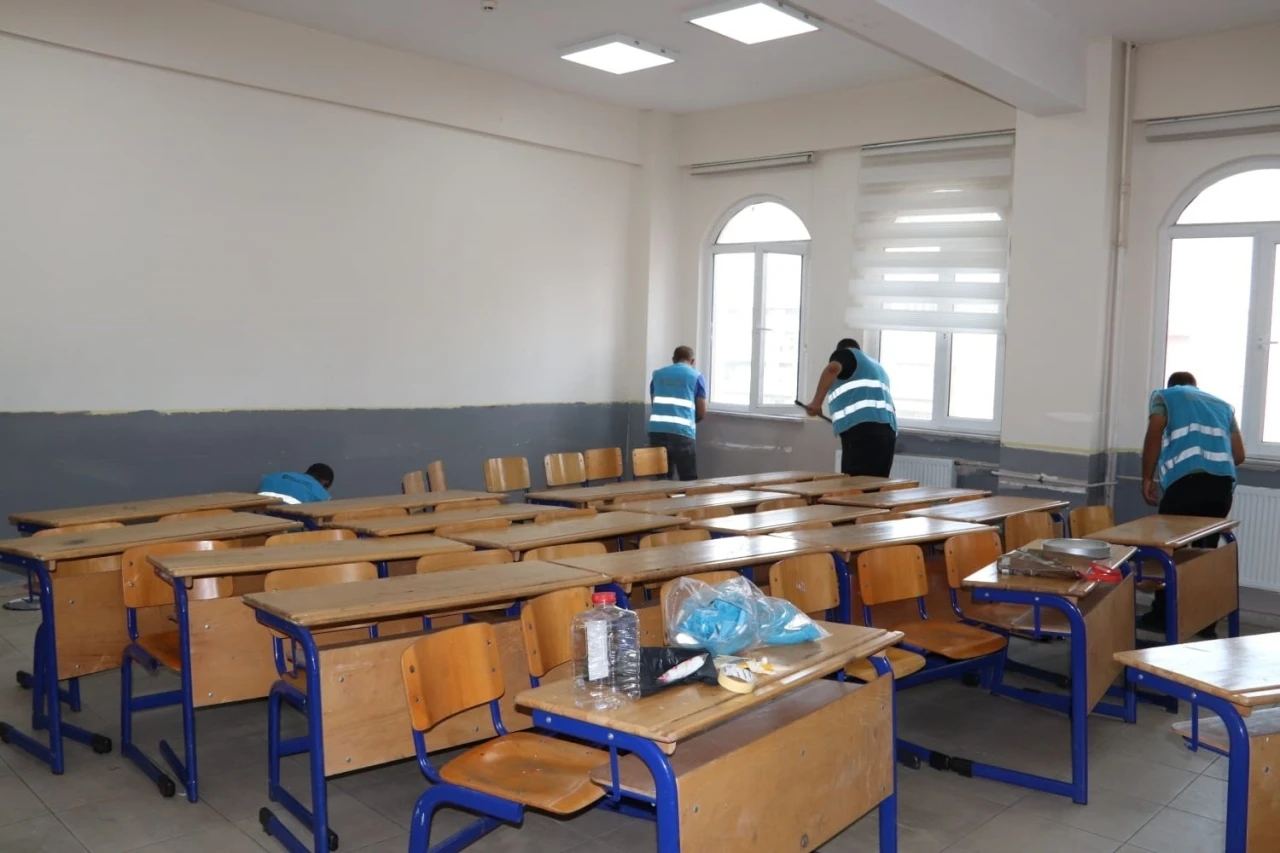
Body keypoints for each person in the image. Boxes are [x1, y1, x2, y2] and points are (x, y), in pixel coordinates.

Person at [1139, 371, 1245, 636]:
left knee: (1169, 551)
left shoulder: (1164, 396)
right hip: (1221, 488)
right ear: (1195, 386)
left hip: (1185, 486)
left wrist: (1147, 477)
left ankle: (1161, 617)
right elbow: (1239, 455)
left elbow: (1154, 434)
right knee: (1204, 555)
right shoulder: (1222, 406)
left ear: (1172, 385)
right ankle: (1205, 624)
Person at [805, 338, 898, 476]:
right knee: (876, 483)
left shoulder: (847, 354)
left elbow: (832, 369)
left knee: (853, 484)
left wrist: (816, 403)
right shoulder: (877, 367)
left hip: (862, 432)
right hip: (887, 432)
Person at [648, 345, 708, 481]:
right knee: (688, 479)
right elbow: (702, 412)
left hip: (657, 433)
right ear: (692, 361)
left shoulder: (657, 375)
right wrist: (689, 421)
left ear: (673, 359)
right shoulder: (696, 377)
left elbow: (654, 403)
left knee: (662, 479)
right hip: (683, 433)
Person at [257, 463, 334, 505]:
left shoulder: (275, 476)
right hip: (289, 523)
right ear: (325, 482)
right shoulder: (322, 493)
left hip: (259, 516)